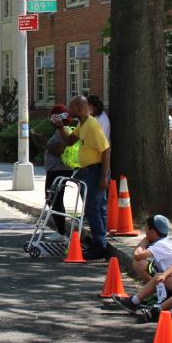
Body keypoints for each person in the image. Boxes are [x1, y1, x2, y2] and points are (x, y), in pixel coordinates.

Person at [52, 95, 110, 260]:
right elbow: (70, 141)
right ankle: (100, 241)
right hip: (88, 170)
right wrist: (60, 127)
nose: (69, 111)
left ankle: (99, 245)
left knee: (92, 208)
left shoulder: (92, 125)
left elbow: (106, 150)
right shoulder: (81, 124)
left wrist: (103, 177)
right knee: (98, 208)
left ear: (78, 108)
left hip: (96, 170)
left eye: (71, 107)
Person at [112, 215, 172, 312]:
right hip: (171, 279)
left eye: (146, 228)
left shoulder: (161, 245)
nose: (145, 230)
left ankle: (133, 302)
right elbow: (136, 256)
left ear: (152, 232)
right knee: (139, 263)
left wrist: (144, 240)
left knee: (157, 275)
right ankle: (156, 295)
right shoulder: (162, 240)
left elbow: (137, 254)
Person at [43, 104, 75, 237]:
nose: (51, 120)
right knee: (52, 198)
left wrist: (45, 145)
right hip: (55, 170)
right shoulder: (60, 131)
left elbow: (59, 150)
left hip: (58, 170)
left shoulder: (64, 130)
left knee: (54, 199)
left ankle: (61, 231)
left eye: (53, 117)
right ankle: (60, 230)